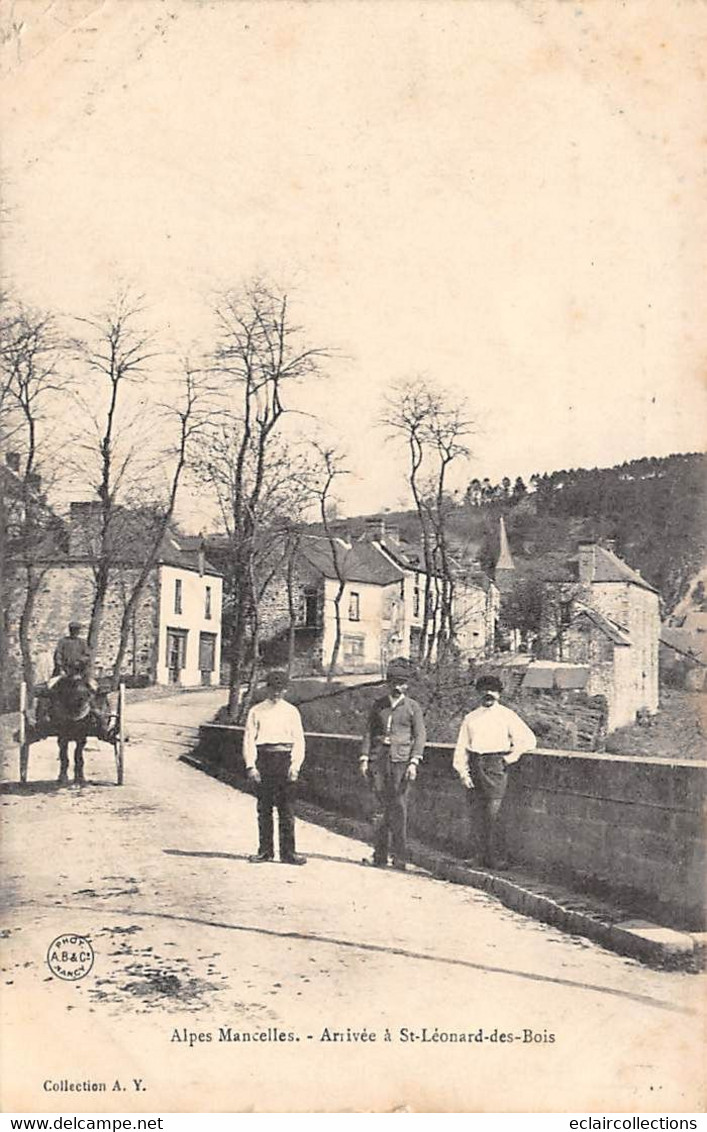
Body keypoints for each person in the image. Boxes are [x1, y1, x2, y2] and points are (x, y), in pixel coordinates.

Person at [452, 674, 536, 869]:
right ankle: (477, 856)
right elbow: (461, 747)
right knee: (476, 813)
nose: (488, 694)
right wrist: (463, 772)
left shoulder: (507, 715)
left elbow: (528, 740)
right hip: (475, 765)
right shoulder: (471, 718)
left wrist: (510, 757)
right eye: (485, 690)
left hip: (496, 765)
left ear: (499, 693)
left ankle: (496, 858)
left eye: (493, 690)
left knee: (494, 814)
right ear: (479, 693)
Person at [359, 660, 426, 871]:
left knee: (399, 808)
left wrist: (414, 761)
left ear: (406, 685)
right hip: (379, 760)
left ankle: (400, 858)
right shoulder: (378, 705)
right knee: (380, 808)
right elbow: (369, 732)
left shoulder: (413, 707)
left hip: (401, 762)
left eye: (402, 683)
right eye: (394, 683)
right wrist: (364, 758)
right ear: (388, 684)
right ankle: (379, 856)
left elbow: (420, 735)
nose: (398, 687)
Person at [243, 670, 307, 866]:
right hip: (264, 759)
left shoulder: (291, 711)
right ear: (267, 688)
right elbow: (248, 740)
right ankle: (265, 851)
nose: (277, 693)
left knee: (287, 810)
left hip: (284, 760)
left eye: (280, 689)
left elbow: (299, 741)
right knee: (264, 809)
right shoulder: (256, 711)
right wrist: (251, 766)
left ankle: (288, 853)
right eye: (273, 689)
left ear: (285, 690)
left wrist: (295, 765)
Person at [49, 622, 92, 687]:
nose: (75, 632)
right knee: (51, 685)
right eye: (73, 630)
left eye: (76, 630)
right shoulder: (63, 641)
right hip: (64, 669)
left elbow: (87, 655)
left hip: (79, 670)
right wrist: (61, 668)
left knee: (92, 686)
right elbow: (58, 655)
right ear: (70, 631)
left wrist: (80, 661)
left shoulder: (82, 642)